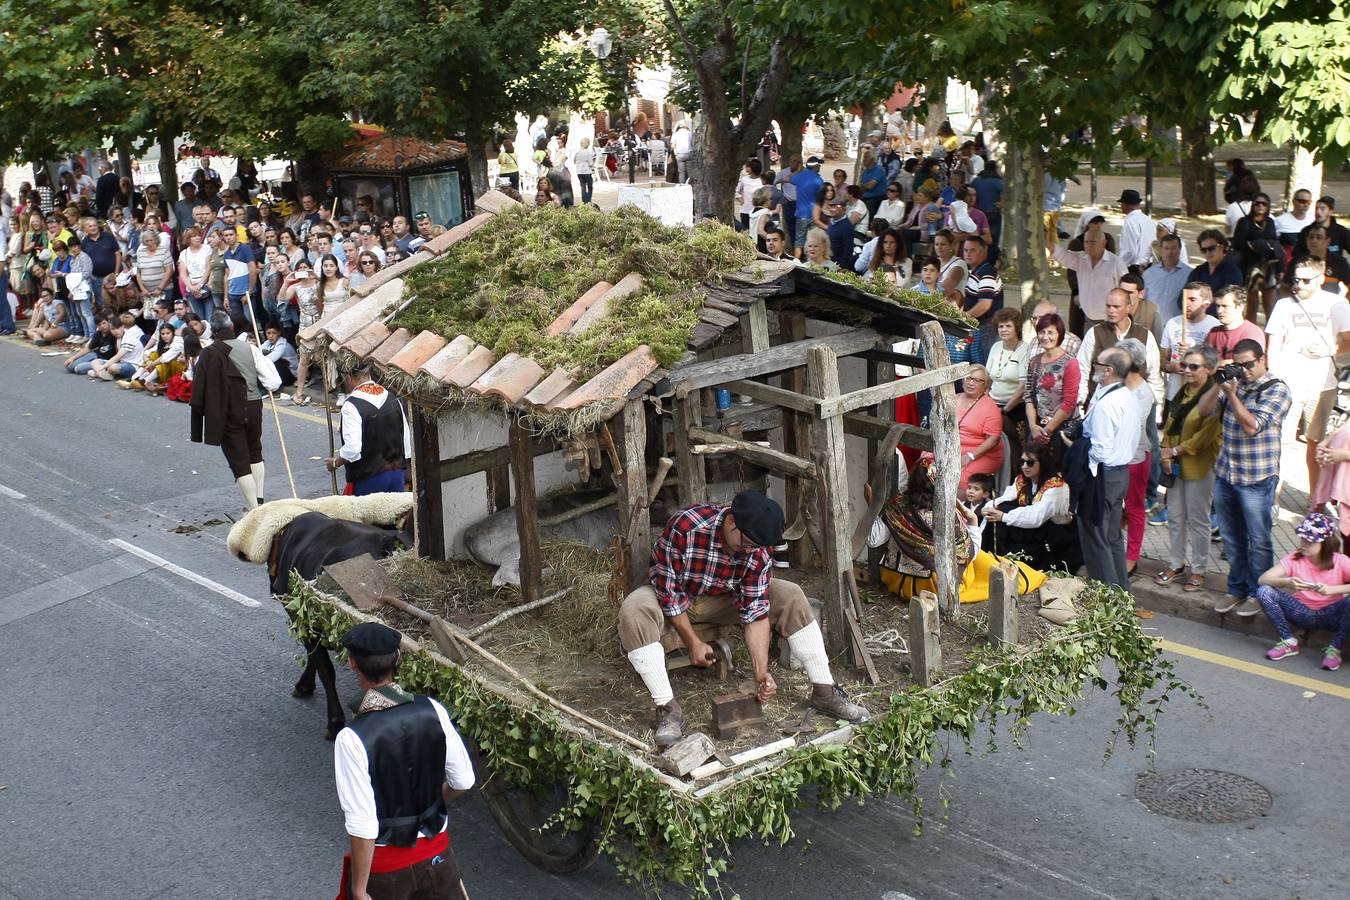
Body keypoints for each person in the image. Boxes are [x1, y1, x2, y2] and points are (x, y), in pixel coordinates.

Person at [618, 491, 867, 745]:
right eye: (746, 543)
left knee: (790, 594)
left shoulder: (757, 549)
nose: (750, 551)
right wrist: (693, 642)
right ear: (731, 522)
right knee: (634, 610)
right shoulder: (687, 526)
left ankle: (824, 692)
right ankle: (668, 709)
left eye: (756, 547)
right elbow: (669, 594)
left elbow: (756, 611)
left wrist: (761, 672)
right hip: (674, 595)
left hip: (723, 599)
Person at [334, 622, 475, 900]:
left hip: (387, 874)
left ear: (352, 664)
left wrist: (359, 889)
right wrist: (434, 802)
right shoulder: (433, 709)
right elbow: (464, 781)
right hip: (438, 859)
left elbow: (363, 825)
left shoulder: (351, 739)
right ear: (398, 658)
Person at [1196, 339, 1292, 616]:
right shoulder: (1233, 384)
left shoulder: (1276, 389)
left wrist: (1233, 395)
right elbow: (1203, 411)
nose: (1245, 370)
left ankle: (1259, 593)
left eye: (1250, 364)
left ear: (1263, 360)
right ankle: (1236, 589)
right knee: (1231, 538)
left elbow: (1252, 427)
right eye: (1240, 365)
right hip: (1227, 474)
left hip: (1258, 477)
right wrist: (1218, 383)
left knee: (1258, 539)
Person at [1265, 257, 1350, 497]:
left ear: (1321, 279)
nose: (1299, 285)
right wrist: (1274, 378)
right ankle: (1274, 498)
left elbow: (1349, 340)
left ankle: (1316, 499)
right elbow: (1274, 344)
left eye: (1305, 280)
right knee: (1280, 442)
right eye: (1295, 279)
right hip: (1287, 383)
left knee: (1317, 442)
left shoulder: (1338, 304)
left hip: (1322, 384)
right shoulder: (1284, 305)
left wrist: (1330, 350)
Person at [189, 313, 281, 510]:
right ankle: (260, 499)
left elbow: (197, 388)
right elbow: (273, 383)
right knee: (255, 451)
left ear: (212, 330)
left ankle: (255, 510)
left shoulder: (207, 353)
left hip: (228, 410)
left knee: (239, 461)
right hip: (254, 406)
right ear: (231, 325)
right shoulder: (250, 348)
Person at [1154, 345, 1223, 592]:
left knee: (1198, 520)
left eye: (1194, 366)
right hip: (1175, 465)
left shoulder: (1213, 398)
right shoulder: (1182, 392)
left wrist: (1173, 451)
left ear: (1209, 370)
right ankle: (1176, 563)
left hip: (1199, 465)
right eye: (1184, 366)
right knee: (1175, 516)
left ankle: (1199, 569)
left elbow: (1205, 437)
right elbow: (1170, 423)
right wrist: (1165, 452)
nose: (1187, 371)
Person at [1070, 347, 1139, 591]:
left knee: (1096, 538)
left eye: (1097, 363)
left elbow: (1099, 449)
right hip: (1119, 473)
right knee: (1111, 537)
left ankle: (1107, 596)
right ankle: (1122, 594)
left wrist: (1076, 449)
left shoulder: (1109, 404)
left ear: (1108, 370)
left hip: (1102, 475)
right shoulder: (1126, 395)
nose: (1093, 367)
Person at [1255, 513, 1350, 671]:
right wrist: (1287, 582)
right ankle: (1288, 641)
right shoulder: (1296, 557)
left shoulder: (1341, 561)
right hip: (1300, 611)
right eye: (1302, 538)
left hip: (1331, 615)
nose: (1303, 543)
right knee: (1264, 591)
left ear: (1323, 543)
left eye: (1309, 540)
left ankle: (1335, 650)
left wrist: (1332, 590)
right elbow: (1263, 579)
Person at [984, 442, 1079, 572]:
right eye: (1022, 461)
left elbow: (1036, 518)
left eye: (1030, 462)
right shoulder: (1022, 480)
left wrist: (1003, 516)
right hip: (1034, 532)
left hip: (1056, 536)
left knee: (1004, 515)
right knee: (1000, 509)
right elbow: (1005, 498)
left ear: (1043, 463)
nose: (1024, 466)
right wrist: (991, 508)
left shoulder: (1056, 487)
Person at [326, 364, 412, 495]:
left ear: (348, 378)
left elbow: (352, 450)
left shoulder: (351, 405)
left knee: (365, 515)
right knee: (393, 514)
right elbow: (406, 441)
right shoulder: (392, 397)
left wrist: (336, 463)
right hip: (396, 474)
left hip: (369, 477)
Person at [1075, 288, 1162, 409]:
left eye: (1116, 307)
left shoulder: (1145, 335)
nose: (1111, 311)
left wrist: (1156, 405)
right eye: (1108, 306)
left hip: (1135, 404)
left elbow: (1153, 373)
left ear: (1128, 308)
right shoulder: (1095, 333)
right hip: (1101, 403)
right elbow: (1082, 369)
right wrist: (1080, 402)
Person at [1117, 338, 1157, 579]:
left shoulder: (1143, 392)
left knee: (1134, 507)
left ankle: (1132, 556)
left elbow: (1130, 426)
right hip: (1114, 458)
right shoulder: (1117, 385)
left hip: (1136, 457)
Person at [933, 363, 1003, 491]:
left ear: (985, 385)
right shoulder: (953, 398)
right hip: (952, 448)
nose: (971, 383)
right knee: (926, 464)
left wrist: (970, 456)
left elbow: (993, 439)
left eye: (977, 380)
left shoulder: (990, 408)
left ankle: (957, 510)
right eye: (968, 378)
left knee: (961, 477)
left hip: (980, 453)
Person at [1024, 312, 1081, 461]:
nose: (1045, 336)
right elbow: (1029, 396)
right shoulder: (1034, 362)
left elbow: (1070, 402)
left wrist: (1048, 431)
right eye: (1042, 332)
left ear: (1060, 334)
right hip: (1038, 427)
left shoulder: (1070, 362)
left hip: (1061, 428)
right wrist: (1032, 426)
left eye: (1051, 332)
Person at [1051, 227, 1129, 335]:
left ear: (1104, 242)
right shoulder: (1081, 260)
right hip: (1088, 320)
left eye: (1093, 241)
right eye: (1086, 242)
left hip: (1110, 323)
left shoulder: (1116, 263)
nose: (1089, 245)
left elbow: (1125, 292)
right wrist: (1047, 242)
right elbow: (1062, 255)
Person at [1159, 283, 1220, 400]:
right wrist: (1169, 367)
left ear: (1205, 304)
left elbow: (1217, 364)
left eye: (1192, 299)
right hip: (1174, 396)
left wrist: (1191, 356)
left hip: (1201, 398)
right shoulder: (1172, 323)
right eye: (1184, 299)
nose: (1186, 304)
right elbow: (1161, 359)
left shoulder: (1215, 327)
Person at [986, 307, 1029, 464]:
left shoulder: (1024, 349)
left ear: (1016, 327)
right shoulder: (996, 347)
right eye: (1001, 326)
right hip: (993, 405)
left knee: (1014, 451)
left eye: (1008, 326)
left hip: (1014, 410)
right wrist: (986, 402)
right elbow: (987, 377)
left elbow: (1023, 386)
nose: (1004, 330)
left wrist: (1004, 410)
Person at [1232, 192, 1282, 315]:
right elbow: (1237, 244)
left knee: (1270, 307)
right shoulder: (1244, 222)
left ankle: (1270, 334)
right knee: (1252, 308)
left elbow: (1274, 242)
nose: (1260, 206)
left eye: (1264, 204)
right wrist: (1253, 245)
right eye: (1257, 203)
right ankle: (1252, 334)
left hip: (1268, 266)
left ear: (1268, 206)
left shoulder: (1269, 222)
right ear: (1252, 205)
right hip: (1250, 267)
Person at [1205, 284, 1265, 363]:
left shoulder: (1252, 333)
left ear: (1240, 307)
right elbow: (1205, 361)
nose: (1219, 311)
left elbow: (1249, 364)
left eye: (1225, 306)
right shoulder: (1213, 333)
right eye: (1218, 306)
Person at [1190, 229, 1244, 298]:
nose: (1208, 253)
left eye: (1211, 248)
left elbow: (1227, 301)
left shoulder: (1233, 273)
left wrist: (1198, 301)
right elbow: (1182, 299)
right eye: (1203, 250)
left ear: (1221, 247)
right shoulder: (1198, 272)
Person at [789, 156, 825, 258]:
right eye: (819, 165)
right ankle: (813, 262)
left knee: (799, 242)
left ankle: (796, 264)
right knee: (814, 240)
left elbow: (786, 178)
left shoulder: (799, 177)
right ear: (816, 167)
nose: (820, 167)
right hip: (815, 216)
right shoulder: (819, 180)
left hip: (801, 215)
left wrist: (798, 170)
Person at [1117, 189, 1156, 270]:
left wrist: (1120, 266)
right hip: (1151, 265)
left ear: (1125, 205)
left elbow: (1129, 251)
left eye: (1121, 204)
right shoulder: (1148, 220)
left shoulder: (1130, 222)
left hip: (1136, 268)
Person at [573, 138, 595, 205]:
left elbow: (574, 161)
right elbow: (591, 163)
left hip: (579, 172)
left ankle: (584, 201)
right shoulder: (588, 153)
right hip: (587, 171)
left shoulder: (577, 153)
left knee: (583, 187)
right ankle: (588, 200)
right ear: (587, 144)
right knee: (590, 186)